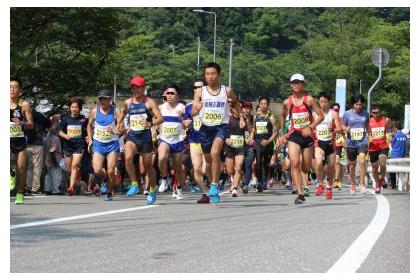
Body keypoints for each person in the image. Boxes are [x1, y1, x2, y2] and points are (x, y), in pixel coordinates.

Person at [191, 62, 240, 203]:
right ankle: (214, 187)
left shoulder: (226, 90)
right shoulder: (200, 92)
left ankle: (214, 185)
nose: (210, 77)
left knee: (215, 153)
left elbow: (236, 102)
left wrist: (239, 114)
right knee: (208, 161)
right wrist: (198, 108)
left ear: (218, 75)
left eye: (213, 74)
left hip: (221, 127)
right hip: (205, 129)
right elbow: (193, 111)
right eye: (207, 74)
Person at [117, 76, 163, 205]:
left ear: (143, 88)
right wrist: (119, 124)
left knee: (148, 167)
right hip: (132, 136)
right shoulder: (128, 102)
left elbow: (160, 118)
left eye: (138, 87)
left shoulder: (149, 102)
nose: (135, 90)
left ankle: (152, 190)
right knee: (127, 157)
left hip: (145, 137)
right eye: (133, 87)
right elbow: (124, 113)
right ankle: (134, 183)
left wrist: (150, 123)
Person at [281, 74, 324, 204]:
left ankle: (307, 175)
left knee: (305, 167)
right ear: (291, 85)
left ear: (303, 84)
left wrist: (310, 127)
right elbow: (283, 117)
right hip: (294, 134)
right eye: (294, 82)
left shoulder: (309, 99)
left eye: (299, 82)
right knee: (294, 163)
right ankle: (300, 193)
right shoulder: (287, 102)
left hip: (307, 135)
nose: (296, 85)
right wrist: (282, 134)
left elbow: (321, 116)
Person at [87, 90, 121, 201]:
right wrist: (90, 140)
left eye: (105, 98)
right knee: (97, 170)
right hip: (98, 143)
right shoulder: (94, 112)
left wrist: (116, 131)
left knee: (111, 170)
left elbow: (123, 128)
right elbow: (89, 126)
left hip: (112, 144)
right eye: (100, 98)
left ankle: (109, 193)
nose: (102, 101)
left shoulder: (116, 111)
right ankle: (107, 177)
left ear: (109, 99)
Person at [157, 84, 186, 200]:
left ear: (177, 96)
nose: (169, 95)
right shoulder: (160, 108)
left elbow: (188, 121)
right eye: (167, 93)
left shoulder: (182, 108)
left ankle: (178, 188)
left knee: (178, 167)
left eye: (172, 93)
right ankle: (164, 179)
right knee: (161, 158)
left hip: (178, 141)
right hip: (165, 139)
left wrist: (183, 119)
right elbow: (155, 119)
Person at [184, 79, 211, 203]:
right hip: (194, 140)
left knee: (206, 170)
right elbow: (185, 122)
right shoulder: (189, 106)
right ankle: (204, 193)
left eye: (200, 87)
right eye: (195, 87)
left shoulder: (210, 103)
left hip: (208, 140)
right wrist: (186, 123)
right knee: (196, 168)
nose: (198, 89)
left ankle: (213, 186)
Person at [10, 77, 34, 204]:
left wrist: (22, 122)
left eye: (14, 87)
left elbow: (31, 124)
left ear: (20, 90)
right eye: (9, 86)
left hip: (20, 140)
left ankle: (20, 193)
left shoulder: (24, 104)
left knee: (21, 168)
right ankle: (10, 175)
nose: (11, 89)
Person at [313, 92, 341, 199]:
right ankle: (320, 184)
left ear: (329, 102)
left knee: (331, 166)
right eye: (321, 102)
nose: (323, 104)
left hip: (330, 142)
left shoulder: (333, 113)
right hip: (319, 142)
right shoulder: (315, 113)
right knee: (318, 163)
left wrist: (333, 130)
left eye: (325, 102)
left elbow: (339, 130)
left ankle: (329, 187)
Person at [58, 97, 87, 195]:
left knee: (75, 166)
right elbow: (59, 131)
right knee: (69, 169)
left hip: (79, 146)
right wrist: (65, 136)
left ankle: (70, 188)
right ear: (69, 108)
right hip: (68, 146)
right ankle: (78, 184)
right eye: (72, 107)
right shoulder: (65, 119)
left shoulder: (83, 119)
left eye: (76, 107)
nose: (74, 109)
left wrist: (88, 137)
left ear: (79, 108)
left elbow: (89, 129)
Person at [342, 95, 371, 194]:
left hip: (362, 141)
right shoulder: (347, 114)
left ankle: (362, 184)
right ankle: (353, 183)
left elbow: (367, 125)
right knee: (352, 164)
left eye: (360, 104)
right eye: (356, 104)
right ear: (353, 104)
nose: (358, 106)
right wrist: (346, 129)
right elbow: (342, 125)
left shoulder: (366, 114)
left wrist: (370, 134)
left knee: (362, 161)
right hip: (351, 142)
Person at [250, 97, 278, 192]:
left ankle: (265, 179)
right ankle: (260, 181)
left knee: (266, 164)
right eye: (261, 104)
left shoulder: (271, 117)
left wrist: (269, 140)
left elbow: (275, 132)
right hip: (258, 143)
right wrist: (251, 137)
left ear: (268, 105)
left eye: (265, 104)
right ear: (259, 104)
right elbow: (254, 129)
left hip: (267, 143)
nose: (263, 105)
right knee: (258, 163)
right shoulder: (255, 117)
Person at [25, 99, 53, 195]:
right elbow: (52, 128)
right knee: (37, 167)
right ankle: (35, 189)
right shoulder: (41, 116)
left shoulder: (24, 115)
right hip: (38, 144)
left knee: (29, 167)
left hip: (27, 143)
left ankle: (28, 187)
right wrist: (55, 121)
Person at [368, 105, 393, 194]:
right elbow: (365, 132)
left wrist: (390, 135)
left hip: (383, 146)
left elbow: (392, 127)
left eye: (377, 112)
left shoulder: (386, 120)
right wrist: (368, 137)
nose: (376, 114)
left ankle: (382, 178)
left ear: (380, 112)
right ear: (371, 113)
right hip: (372, 147)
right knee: (374, 169)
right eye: (374, 113)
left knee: (382, 162)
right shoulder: (368, 122)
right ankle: (378, 185)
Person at [224, 99, 247, 197]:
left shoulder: (245, 120)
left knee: (238, 167)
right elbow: (222, 132)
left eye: (240, 108)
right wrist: (226, 139)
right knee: (229, 170)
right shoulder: (227, 119)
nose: (239, 110)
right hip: (230, 147)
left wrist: (249, 138)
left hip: (240, 147)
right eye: (237, 108)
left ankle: (234, 188)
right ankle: (235, 179)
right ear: (233, 109)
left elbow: (250, 131)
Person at [44, 115, 63, 195]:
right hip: (55, 159)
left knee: (48, 174)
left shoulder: (47, 135)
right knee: (56, 174)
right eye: (56, 124)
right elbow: (52, 151)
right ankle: (56, 190)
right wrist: (55, 161)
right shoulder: (55, 137)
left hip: (47, 158)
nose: (57, 126)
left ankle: (47, 189)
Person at [389, 124, 408, 190]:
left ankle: (393, 185)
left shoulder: (395, 135)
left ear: (396, 128)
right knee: (402, 170)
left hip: (394, 154)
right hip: (402, 155)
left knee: (392, 170)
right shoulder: (404, 136)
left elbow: (392, 144)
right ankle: (403, 185)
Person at [332, 103, 345, 190]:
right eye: (334, 110)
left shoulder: (341, 119)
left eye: (337, 110)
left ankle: (337, 180)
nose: (336, 111)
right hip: (330, 142)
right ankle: (331, 179)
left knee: (338, 161)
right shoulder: (329, 119)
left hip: (339, 143)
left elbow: (344, 130)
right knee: (331, 163)